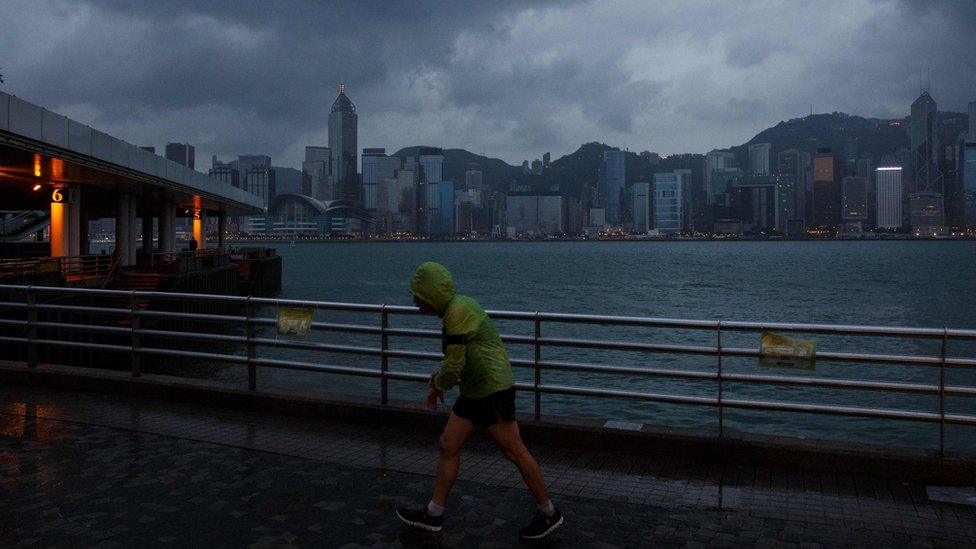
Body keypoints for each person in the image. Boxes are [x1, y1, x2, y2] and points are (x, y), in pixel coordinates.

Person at [395, 262, 563, 541]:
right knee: (448, 445)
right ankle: (433, 514)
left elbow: (456, 361)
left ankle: (549, 512)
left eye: (417, 295)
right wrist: (440, 379)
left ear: (430, 294)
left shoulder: (457, 312)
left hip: (491, 390)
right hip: (474, 391)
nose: (414, 302)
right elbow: (455, 359)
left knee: (515, 452)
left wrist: (438, 384)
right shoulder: (455, 308)